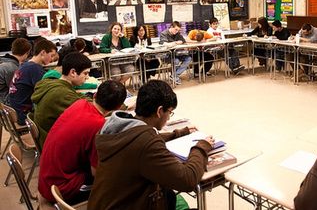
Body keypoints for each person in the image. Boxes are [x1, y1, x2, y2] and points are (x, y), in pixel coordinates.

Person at [87, 80, 214, 210]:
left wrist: (177, 134)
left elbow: (141, 137)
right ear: (159, 111)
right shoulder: (146, 143)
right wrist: (200, 147)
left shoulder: (115, 127)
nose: (169, 118)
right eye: (169, 112)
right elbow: (188, 180)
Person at [38, 80, 127, 204]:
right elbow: (96, 172)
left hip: (47, 178)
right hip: (61, 187)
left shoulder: (80, 104)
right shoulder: (98, 126)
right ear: (118, 107)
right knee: (120, 182)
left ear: (95, 95)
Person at [32, 52, 92, 148]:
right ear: (73, 72)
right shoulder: (61, 94)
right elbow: (91, 111)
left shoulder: (54, 84)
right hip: (54, 145)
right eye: (85, 73)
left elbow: (76, 95)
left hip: (48, 136)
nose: (87, 77)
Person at [8, 39, 56, 125]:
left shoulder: (26, 65)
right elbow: (47, 92)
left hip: (16, 112)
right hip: (25, 116)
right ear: (43, 52)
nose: (52, 59)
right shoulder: (34, 69)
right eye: (51, 55)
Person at [0, 38, 31, 104]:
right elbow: (14, 90)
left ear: (12, 49)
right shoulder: (13, 68)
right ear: (27, 53)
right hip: (3, 104)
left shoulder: (3, 62)